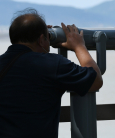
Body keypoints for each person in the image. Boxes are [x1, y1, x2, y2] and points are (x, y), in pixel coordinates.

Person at [0, 8, 103, 138]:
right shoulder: (52, 65)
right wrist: (79, 46)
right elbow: (95, 81)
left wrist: (42, 37)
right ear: (41, 39)